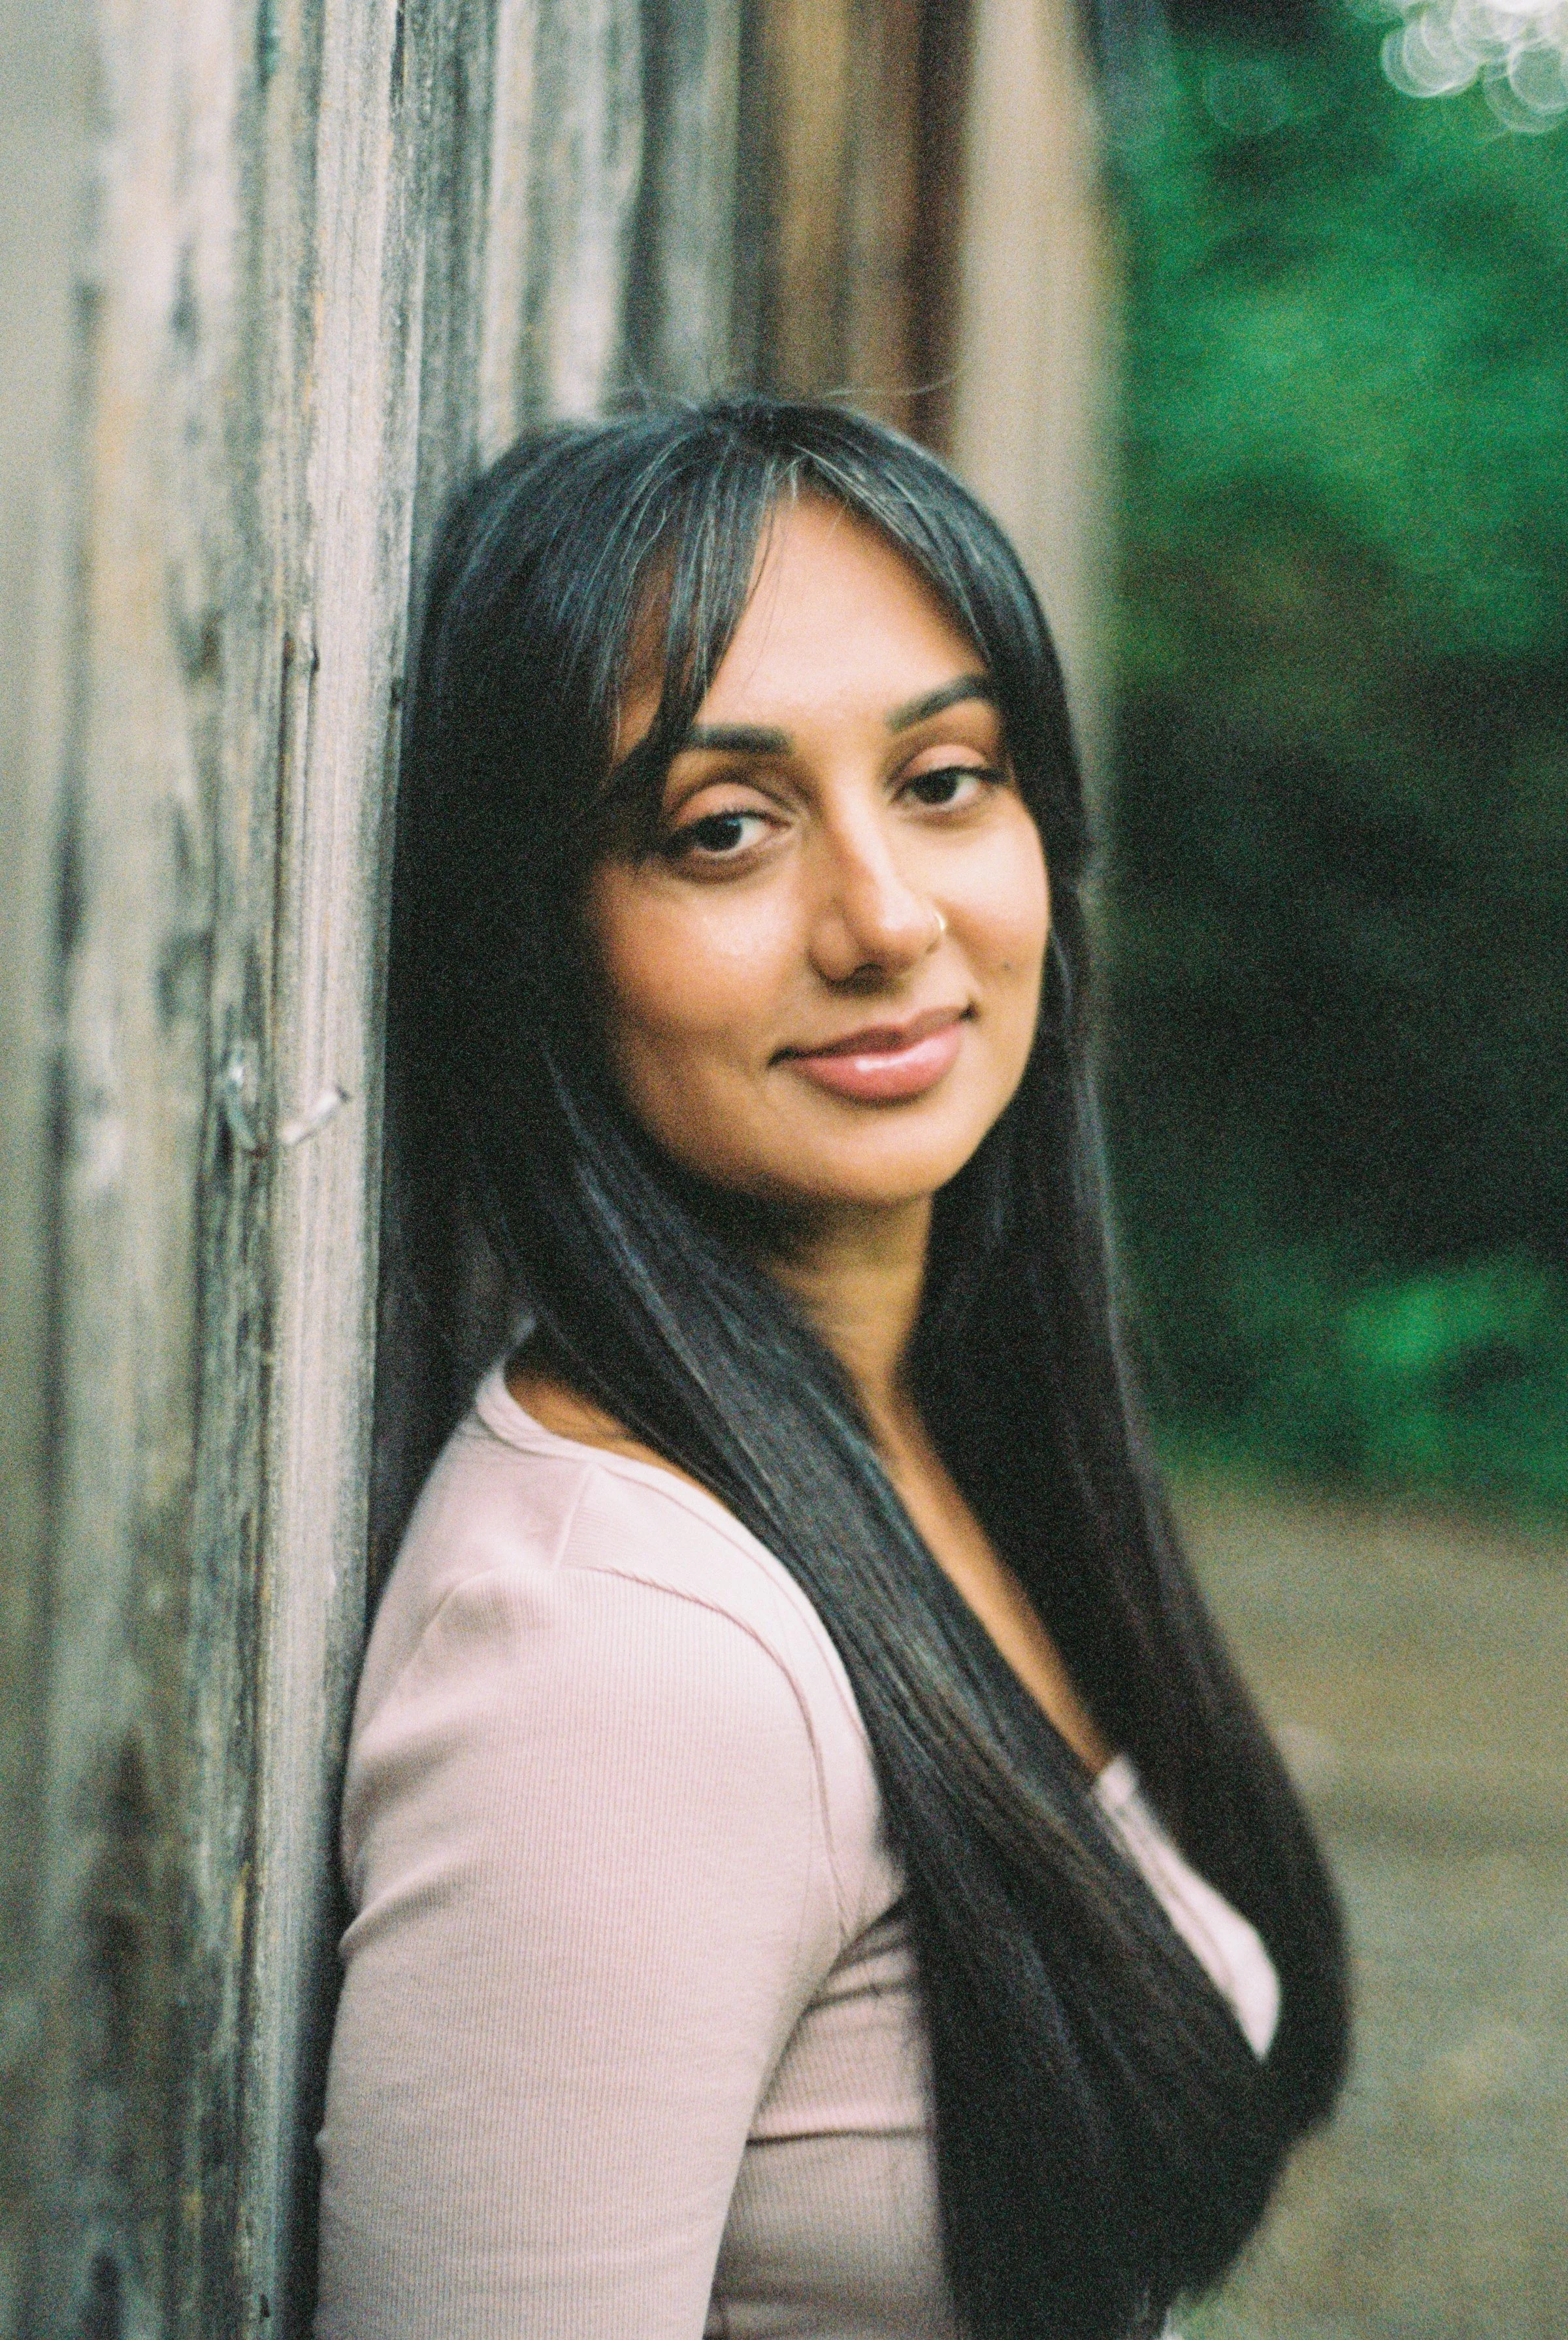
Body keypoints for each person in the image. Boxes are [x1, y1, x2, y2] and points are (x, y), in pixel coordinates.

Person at [314, 398, 1349, 2340]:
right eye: (724, 828)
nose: (887, 919)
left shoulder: (933, 1431)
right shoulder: (625, 1657)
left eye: (948, 779)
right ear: (540, 930)